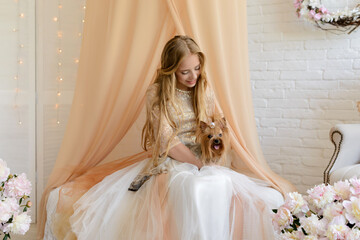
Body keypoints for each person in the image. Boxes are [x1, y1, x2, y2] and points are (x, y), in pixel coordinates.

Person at [68, 35, 283, 240]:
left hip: (203, 156)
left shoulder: (204, 89)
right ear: (171, 71)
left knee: (246, 193)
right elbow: (166, 140)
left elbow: (210, 130)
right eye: (185, 72)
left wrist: (210, 160)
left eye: (197, 69)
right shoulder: (155, 93)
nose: (193, 77)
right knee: (193, 188)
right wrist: (198, 164)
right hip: (172, 158)